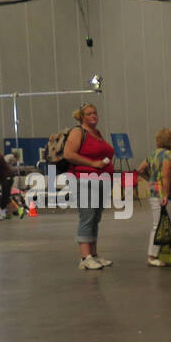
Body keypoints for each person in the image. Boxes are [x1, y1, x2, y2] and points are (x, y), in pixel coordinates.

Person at [62, 103, 115, 269]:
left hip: (101, 181)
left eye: (95, 113)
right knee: (87, 217)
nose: (94, 116)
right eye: (89, 113)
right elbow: (68, 154)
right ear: (82, 117)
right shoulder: (78, 132)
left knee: (95, 219)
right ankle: (85, 257)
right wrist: (93, 163)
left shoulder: (97, 133)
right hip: (83, 180)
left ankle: (94, 255)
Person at [145, 128, 171, 266]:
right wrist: (165, 194)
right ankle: (152, 256)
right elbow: (166, 176)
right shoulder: (168, 155)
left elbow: (140, 169)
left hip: (153, 192)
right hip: (164, 194)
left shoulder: (153, 154)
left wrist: (151, 180)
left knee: (160, 223)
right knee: (159, 225)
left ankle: (159, 254)